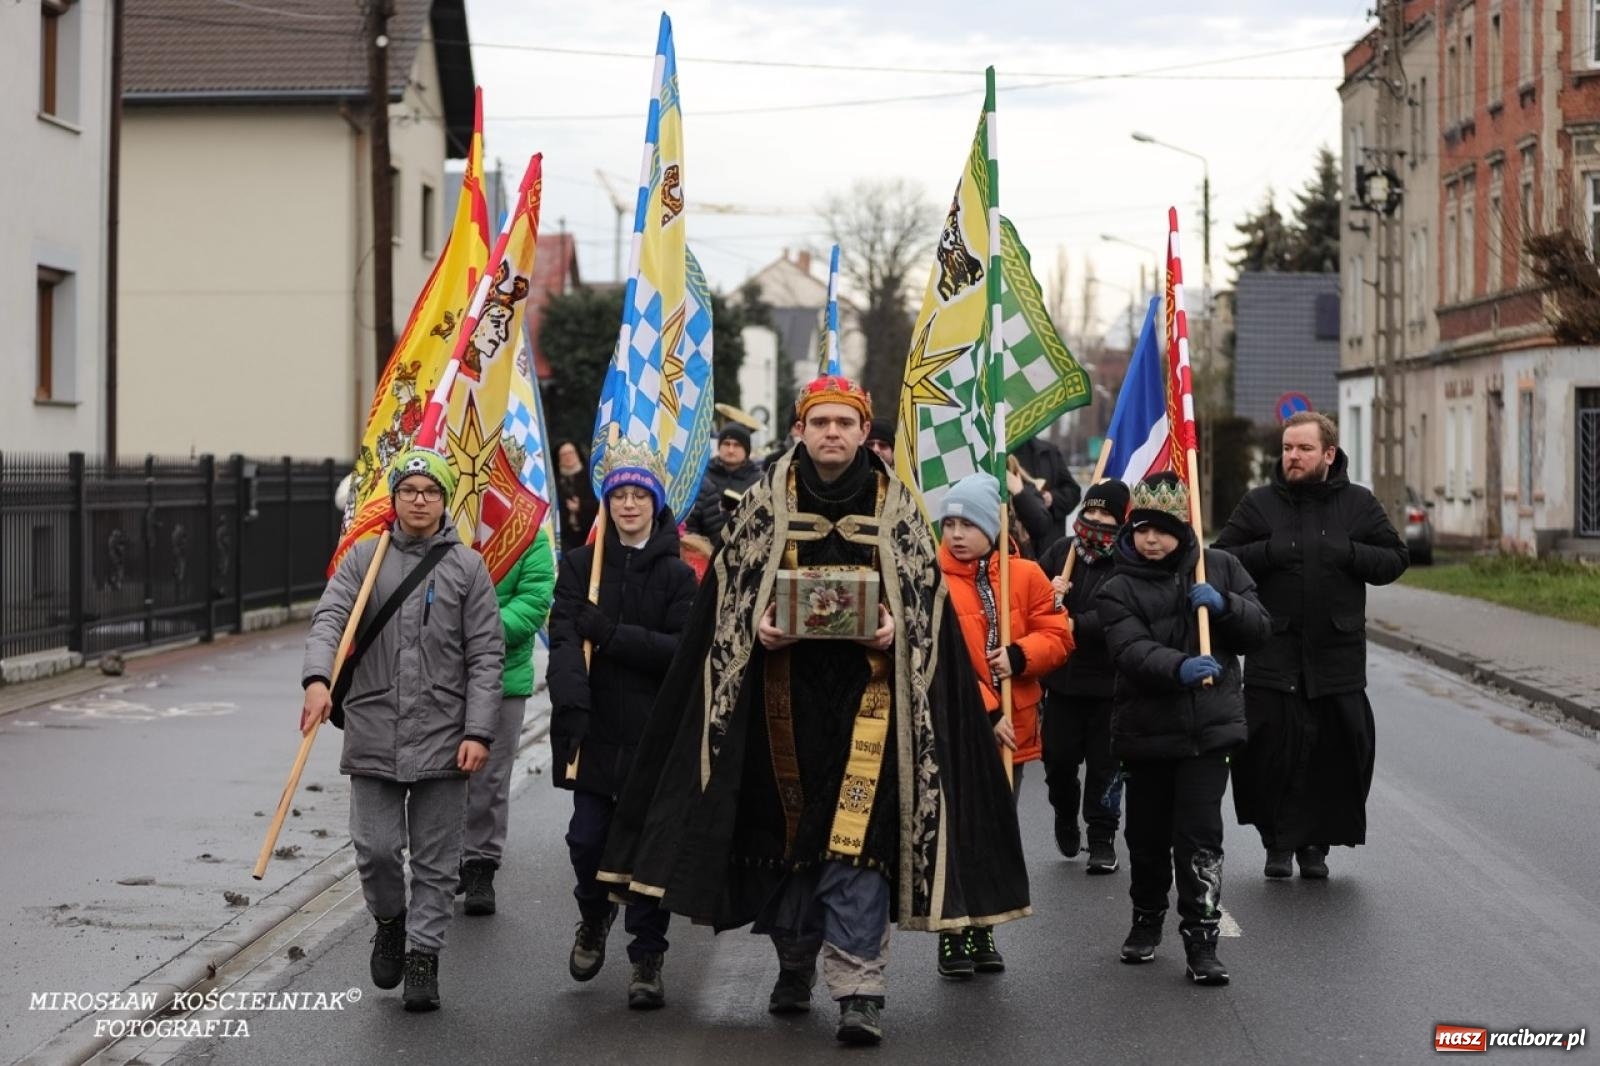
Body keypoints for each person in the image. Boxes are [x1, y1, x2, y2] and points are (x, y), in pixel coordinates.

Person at [598, 375, 1030, 1047]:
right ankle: (795, 966)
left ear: (864, 432)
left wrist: (897, 631)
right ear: (800, 429)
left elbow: (927, 610)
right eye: (820, 422)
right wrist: (759, 629)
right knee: (788, 844)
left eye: (844, 423)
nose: (832, 433)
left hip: (874, 709)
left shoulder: (900, 509)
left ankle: (861, 989)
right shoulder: (764, 505)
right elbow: (728, 604)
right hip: (779, 710)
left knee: (856, 846)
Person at [299, 447, 504, 1012]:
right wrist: (318, 679)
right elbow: (329, 620)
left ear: (444, 500)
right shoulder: (365, 558)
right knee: (377, 849)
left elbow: (487, 655)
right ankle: (389, 919)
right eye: (410, 490)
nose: (420, 499)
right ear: (394, 499)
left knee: (438, 861)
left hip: (445, 732)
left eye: (431, 491)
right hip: (372, 724)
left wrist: (479, 732)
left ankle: (423, 955)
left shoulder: (468, 568)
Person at [1212, 411, 1409, 879]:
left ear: (1328, 454)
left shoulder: (1358, 505)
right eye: (1286, 448)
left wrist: (1350, 553)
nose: (1292, 457)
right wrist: (1268, 553)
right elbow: (1220, 557)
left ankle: (1315, 846)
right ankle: (1276, 843)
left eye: (1303, 449)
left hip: (1335, 656)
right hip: (1273, 651)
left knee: (1337, 752)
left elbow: (1395, 559)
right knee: (1267, 752)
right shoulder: (1260, 505)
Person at [1096, 471, 1271, 986]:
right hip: (1146, 734)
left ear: (1184, 529)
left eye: (1165, 530)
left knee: (1199, 838)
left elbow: (1260, 628)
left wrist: (1226, 606)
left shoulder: (1220, 567)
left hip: (1208, 733)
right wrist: (1177, 668)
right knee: (1147, 838)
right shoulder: (1117, 586)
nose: (1153, 540)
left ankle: (1202, 937)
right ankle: (1147, 918)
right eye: (1144, 529)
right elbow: (1128, 650)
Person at [547, 440, 698, 1010]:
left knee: (647, 850)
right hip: (593, 728)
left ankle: (647, 958)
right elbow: (563, 639)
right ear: (605, 504)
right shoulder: (581, 567)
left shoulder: (679, 577)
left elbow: (681, 653)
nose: (629, 505)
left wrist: (611, 635)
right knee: (586, 839)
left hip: (654, 733)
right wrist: (571, 700)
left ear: (655, 505)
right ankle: (592, 916)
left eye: (639, 495)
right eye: (619, 495)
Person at [934, 472, 1072, 979]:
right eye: (948, 523)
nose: (956, 533)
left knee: (995, 830)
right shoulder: (932, 581)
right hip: (958, 728)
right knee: (955, 830)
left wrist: (1021, 654)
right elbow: (936, 661)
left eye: (968, 523)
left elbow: (1058, 636)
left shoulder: (1028, 575)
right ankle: (951, 931)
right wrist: (986, 710)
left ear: (992, 527)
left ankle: (983, 926)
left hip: (1015, 733)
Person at [456, 530, 555, 916]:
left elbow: (532, 603)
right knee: (440, 776)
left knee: (489, 778)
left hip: (502, 677)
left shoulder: (529, 534)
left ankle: (480, 864)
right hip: (441, 676)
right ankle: (445, 860)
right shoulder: (448, 528)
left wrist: (477, 633)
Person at [1036, 478, 1131, 873]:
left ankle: (1102, 836)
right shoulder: (1062, 552)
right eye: (1089, 512)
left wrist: (1074, 623)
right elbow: (1030, 605)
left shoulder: (1129, 561)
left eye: (1105, 514)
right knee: (1058, 761)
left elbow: (1122, 613)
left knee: (1106, 768)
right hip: (1063, 683)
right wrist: (1048, 595)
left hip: (1110, 685)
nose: (1095, 520)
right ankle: (1063, 810)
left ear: (1122, 519)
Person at [684, 423, 763, 541]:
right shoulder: (701, 475)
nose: (731, 450)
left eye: (737, 445)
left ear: (746, 449)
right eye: (726, 444)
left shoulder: (759, 480)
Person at [1010, 436, 1082, 526]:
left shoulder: (1048, 452)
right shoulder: (994, 454)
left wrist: (1051, 498)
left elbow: (1073, 492)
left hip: (1049, 536)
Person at [555, 440, 600, 553]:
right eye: (564, 455)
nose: (568, 457)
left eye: (570, 453)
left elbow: (599, 503)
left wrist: (580, 506)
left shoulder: (591, 477)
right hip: (565, 537)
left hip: (589, 532)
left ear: (577, 454)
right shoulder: (555, 481)